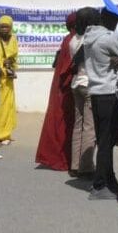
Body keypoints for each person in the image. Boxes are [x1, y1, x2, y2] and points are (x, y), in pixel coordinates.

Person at [84, 6, 118, 200]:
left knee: (104, 138)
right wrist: (117, 60)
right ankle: (100, 184)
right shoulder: (108, 38)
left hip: (95, 91)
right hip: (109, 92)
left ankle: (109, 179)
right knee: (107, 140)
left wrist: (116, 59)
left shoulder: (89, 37)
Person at [35, 12, 77, 171]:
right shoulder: (71, 40)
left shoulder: (69, 39)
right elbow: (67, 67)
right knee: (63, 123)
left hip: (61, 87)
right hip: (65, 89)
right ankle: (60, 158)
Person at [69, 7, 97, 177]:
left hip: (76, 84)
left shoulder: (74, 39)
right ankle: (86, 167)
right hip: (89, 84)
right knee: (90, 127)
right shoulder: (91, 40)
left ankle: (75, 165)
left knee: (78, 125)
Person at [0, 15, 19, 145]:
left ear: (11, 27)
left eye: (7, 26)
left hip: (8, 79)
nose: (4, 29)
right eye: (2, 26)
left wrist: (12, 66)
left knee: (8, 107)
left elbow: (15, 56)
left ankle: (6, 135)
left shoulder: (13, 39)